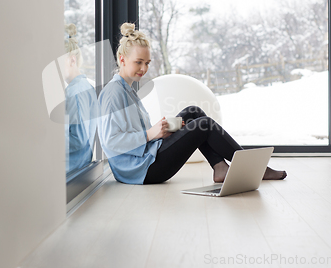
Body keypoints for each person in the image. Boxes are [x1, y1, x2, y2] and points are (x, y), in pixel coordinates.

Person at [98, 22, 287, 185]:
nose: (144, 68)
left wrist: (159, 134)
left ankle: (220, 167)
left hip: (146, 157)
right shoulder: (113, 93)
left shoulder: (127, 89)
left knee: (193, 112)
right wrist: (150, 134)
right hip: (141, 170)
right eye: (138, 62)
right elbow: (110, 142)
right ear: (122, 59)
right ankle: (254, 169)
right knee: (203, 125)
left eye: (147, 63)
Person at [64, 23, 99, 173]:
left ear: (72, 60)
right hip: (79, 167)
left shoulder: (76, 91)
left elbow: (78, 139)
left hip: (70, 170)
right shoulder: (85, 87)